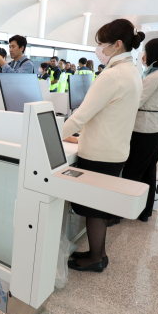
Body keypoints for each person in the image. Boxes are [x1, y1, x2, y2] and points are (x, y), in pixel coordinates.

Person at [62, 18, 145, 272]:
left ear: (117, 44)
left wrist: (51, 135)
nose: (98, 48)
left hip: (100, 153)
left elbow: (80, 116)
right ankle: (99, 253)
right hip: (114, 149)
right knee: (97, 206)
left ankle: (96, 258)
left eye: (101, 44)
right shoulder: (131, 70)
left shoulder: (112, 76)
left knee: (93, 209)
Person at [122, 38, 158, 222]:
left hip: (145, 130)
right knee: (147, 172)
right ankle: (145, 211)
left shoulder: (154, 77)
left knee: (132, 172)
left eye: (146, 51)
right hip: (155, 129)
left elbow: (136, 101)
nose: (143, 55)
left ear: (154, 54)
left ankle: (122, 212)